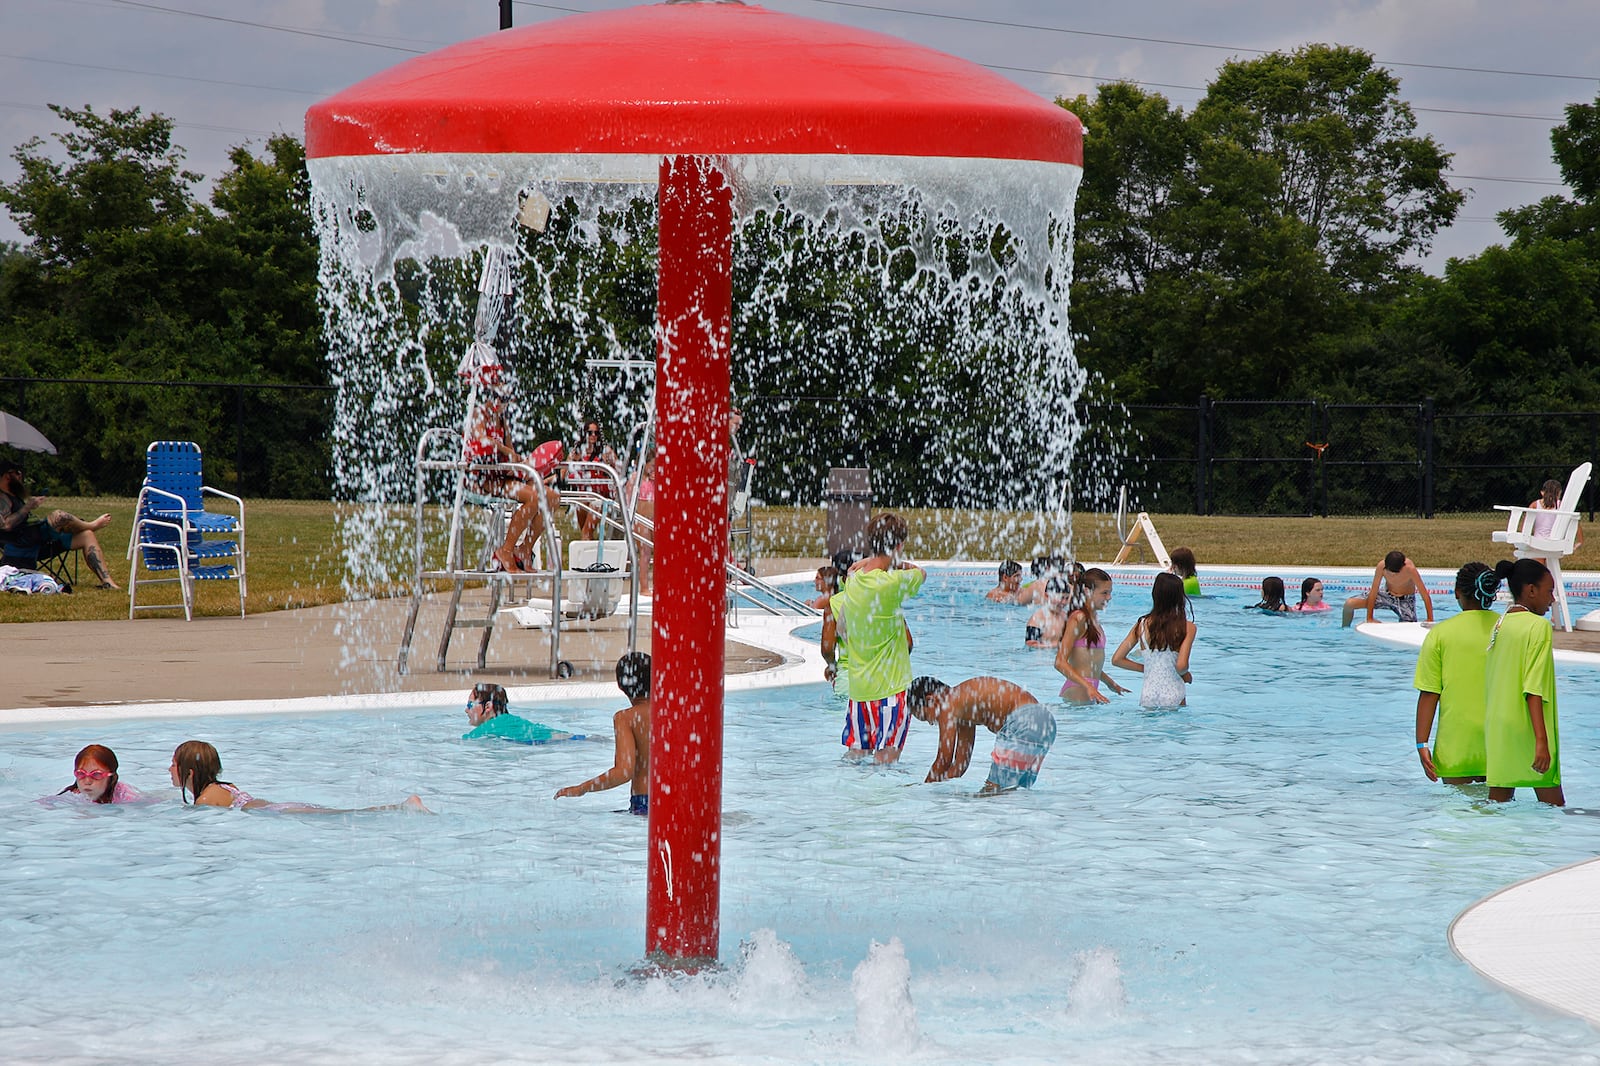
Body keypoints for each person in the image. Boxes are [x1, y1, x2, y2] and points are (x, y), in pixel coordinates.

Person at [821, 513, 925, 764]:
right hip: (892, 690)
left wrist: (869, 560)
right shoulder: (894, 582)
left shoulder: (854, 580)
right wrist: (888, 560)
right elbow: (920, 573)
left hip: (859, 693)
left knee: (855, 757)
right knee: (886, 763)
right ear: (899, 546)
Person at [1413, 562, 1502, 786]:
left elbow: (1430, 693)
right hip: (1500, 743)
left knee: (1456, 816)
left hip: (1456, 744)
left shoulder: (1441, 634)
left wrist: (1421, 744)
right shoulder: (1506, 628)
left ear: (1457, 592)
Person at [1484, 559, 1564, 806]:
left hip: (1498, 728)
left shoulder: (1500, 623)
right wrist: (1541, 741)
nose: (1552, 599)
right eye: (1549, 591)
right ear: (1531, 590)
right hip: (1528, 728)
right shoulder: (1538, 626)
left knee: (1498, 805)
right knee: (1553, 807)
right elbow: (1533, 688)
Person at [169, 740, 429, 813]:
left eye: (173, 764)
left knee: (344, 815)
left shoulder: (205, 800)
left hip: (274, 810)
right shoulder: (224, 787)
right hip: (273, 806)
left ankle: (402, 807)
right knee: (340, 813)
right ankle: (399, 807)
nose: (169, 770)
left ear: (189, 772)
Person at [463, 388, 563, 575]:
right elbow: (482, 440)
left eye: (506, 399)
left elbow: (511, 453)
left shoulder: (502, 421)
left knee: (552, 498)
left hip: (503, 474)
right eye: (500, 397)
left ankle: (524, 549)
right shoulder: (479, 413)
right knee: (533, 497)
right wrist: (507, 453)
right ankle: (505, 550)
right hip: (485, 477)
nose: (503, 402)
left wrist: (523, 463)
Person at [905, 676, 1056, 792]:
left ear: (931, 700)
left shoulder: (947, 703)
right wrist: (937, 789)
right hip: (1044, 723)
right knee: (1015, 793)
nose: (932, 723)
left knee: (993, 794)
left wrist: (923, 791)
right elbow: (960, 765)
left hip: (1023, 721)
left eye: (927, 718)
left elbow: (944, 759)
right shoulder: (964, 709)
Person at [555, 652, 652, 814]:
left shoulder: (626, 718)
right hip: (677, 799)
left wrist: (582, 788)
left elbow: (623, 772)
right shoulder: (674, 712)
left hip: (645, 803)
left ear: (620, 685)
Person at [0, 462, 117, 588]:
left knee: (86, 535)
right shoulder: (2, 498)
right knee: (59, 516)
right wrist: (28, 506)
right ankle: (91, 525)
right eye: (18, 473)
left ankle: (108, 583)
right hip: (23, 545)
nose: (21, 477)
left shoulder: (14, 496)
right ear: (8, 476)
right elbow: (5, 525)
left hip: (41, 541)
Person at [1111, 572, 1197, 709]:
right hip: (1174, 693)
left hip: (1148, 694)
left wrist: (1149, 669)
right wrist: (1186, 675)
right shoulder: (1187, 627)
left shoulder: (1141, 625)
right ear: (1180, 597)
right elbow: (1181, 666)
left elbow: (1117, 659)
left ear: (1155, 595)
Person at [1054, 567, 1128, 704]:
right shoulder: (1078, 618)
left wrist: (1111, 683)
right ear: (1087, 592)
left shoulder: (1094, 620)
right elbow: (1059, 662)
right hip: (1078, 690)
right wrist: (1089, 687)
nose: (1109, 597)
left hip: (1088, 689)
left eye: (1110, 593)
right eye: (1104, 593)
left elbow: (1090, 665)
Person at [462, 682, 580, 744]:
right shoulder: (515, 721)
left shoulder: (482, 732)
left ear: (488, 706)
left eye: (470, 705)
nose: (466, 710)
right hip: (568, 739)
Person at [1342, 550, 1433, 627]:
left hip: (1405, 601)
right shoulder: (1381, 566)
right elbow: (1373, 591)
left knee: (1408, 626)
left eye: (1395, 573)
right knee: (1349, 604)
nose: (1392, 575)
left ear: (1403, 566)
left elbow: (1424, 595)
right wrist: (1370, 618)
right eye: (1390, 572)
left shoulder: (1410, 570)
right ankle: (1344, 630)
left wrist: (1430, 619)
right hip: (1386, 595)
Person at [568, 420, 621, 540]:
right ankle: (592, 550)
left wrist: (609, 464)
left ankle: (587, 550)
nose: (593, 435)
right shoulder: (577, 452)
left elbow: (619, 470)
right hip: (584, 495)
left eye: (596, 433)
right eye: (590, 432)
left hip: (601, 496)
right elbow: (564, 473)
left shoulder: (605, 451)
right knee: (585, 531)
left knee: (586, 532)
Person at [52, 744, 145, 804]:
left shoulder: (127, 797)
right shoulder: (72, 794)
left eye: (96, 775)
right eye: (81, 774)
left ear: (110, 776)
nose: (87, 781)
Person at [626, 454, 656, 595]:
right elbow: (628, 500)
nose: (654, 469)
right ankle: (644, 587)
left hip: (655, 518)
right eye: (652, 466)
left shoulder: (658, 479)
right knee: (645, 552)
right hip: (641, 518)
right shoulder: (635, 478)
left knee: (661, 552)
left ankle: (659, 584)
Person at [1023, 576, 1070, 647]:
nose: (1063, 602)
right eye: (1061, 598)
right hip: (1043, 656)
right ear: (1047, 596)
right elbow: (1030, 644)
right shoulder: (1038, 618)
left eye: (1066, 598)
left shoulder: (1065, 616)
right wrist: (1058, 645)